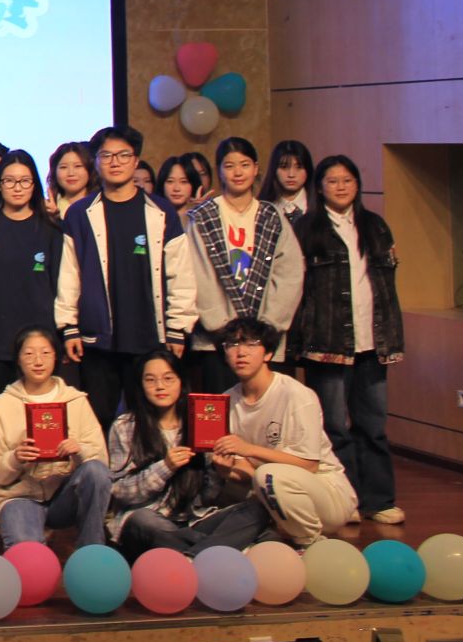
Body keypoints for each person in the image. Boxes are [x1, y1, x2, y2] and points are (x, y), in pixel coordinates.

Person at [55, 124, 195, 429]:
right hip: (97, 340)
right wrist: (69, 327)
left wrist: (177, 328)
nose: (115, 162)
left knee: (148, 420)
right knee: (98, 419)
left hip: (149, 336)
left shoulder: (161, 211)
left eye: (123, 155)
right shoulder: (80, 214)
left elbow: (180, 274)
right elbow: (70, 275)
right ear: (96, 162)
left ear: (136, 160)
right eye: (106, 156)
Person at [291, 155, 405, 525]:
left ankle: (379, 500)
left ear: (357, 184)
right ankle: (345, 500)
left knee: (373, 426)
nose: (341, 187)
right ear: (320, 187)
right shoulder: (306, 228)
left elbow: (387, 287)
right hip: (326, 344)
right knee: (335, 428)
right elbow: (298, 289)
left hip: (373, 341)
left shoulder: (375, 226)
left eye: (347, 180)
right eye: (332, 181)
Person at [0, 149, 65, 502]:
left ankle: (41, 483)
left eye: (24, 181)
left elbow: (59, 286)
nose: (17, 187)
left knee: (37, 412)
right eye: (9, 181)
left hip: (40, 338)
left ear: (35, 184)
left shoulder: (50, 229)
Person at [106, 349, 266, 558]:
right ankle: (215, 551)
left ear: (181, 382)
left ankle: (191, 557)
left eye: (168, 378)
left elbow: (207, 497)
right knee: (144, 521)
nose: (160, 386)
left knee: (257, 511)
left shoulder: (200, 422)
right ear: (141, 385)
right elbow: (120, 491)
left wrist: (219, 472)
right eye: (150, 380)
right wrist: (165, 467)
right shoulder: (126, 426)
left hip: (193, 521)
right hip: (148, 523)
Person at [214, 317, 357, 547]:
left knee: (267, 475)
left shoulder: (295, 395)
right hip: (275, 490)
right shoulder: (227, 400)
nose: (241, 352)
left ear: (268, 353)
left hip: (326, 492)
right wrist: (226, 471)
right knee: (228, 483)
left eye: (251, 344)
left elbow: (309, 464)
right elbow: (247, 471)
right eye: (232, 344)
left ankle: (310, 543)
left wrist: (249, 449)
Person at [185, 136, 304, 394]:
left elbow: (290, 274)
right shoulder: (203, 217)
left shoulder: (272, 216)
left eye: (245, 165)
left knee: (267, 407)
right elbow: (196, 274)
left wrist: (268, 326)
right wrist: (222, 326)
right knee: (220, 409)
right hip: (216, 341)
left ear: (256, 168)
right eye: (229, 166)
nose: (238, 172)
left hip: (266, 340)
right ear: (219, 170)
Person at [0, 325, 112, 548]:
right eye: (29, 354)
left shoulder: (76, 401)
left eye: (45, 353)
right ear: (18, 359)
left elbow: (101, 460)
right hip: (20, 496)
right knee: (27, 555)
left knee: (96, 472)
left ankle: (91, 550)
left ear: (56, 357)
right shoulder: (2, 404)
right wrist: (15, 458)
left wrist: (79, 449)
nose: (38, 361)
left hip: (65, 495)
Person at [258, 140, 315, 220]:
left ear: (308, 170)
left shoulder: (321, 206)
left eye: (299, 167)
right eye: (284, 167)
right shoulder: (262, 209)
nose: (291, 175)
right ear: (274, 170)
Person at [47, 141, 94, 221]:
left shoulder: (100, 203)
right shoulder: (46, 210)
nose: (71, 173)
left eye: (78, 166)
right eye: (63, 167)